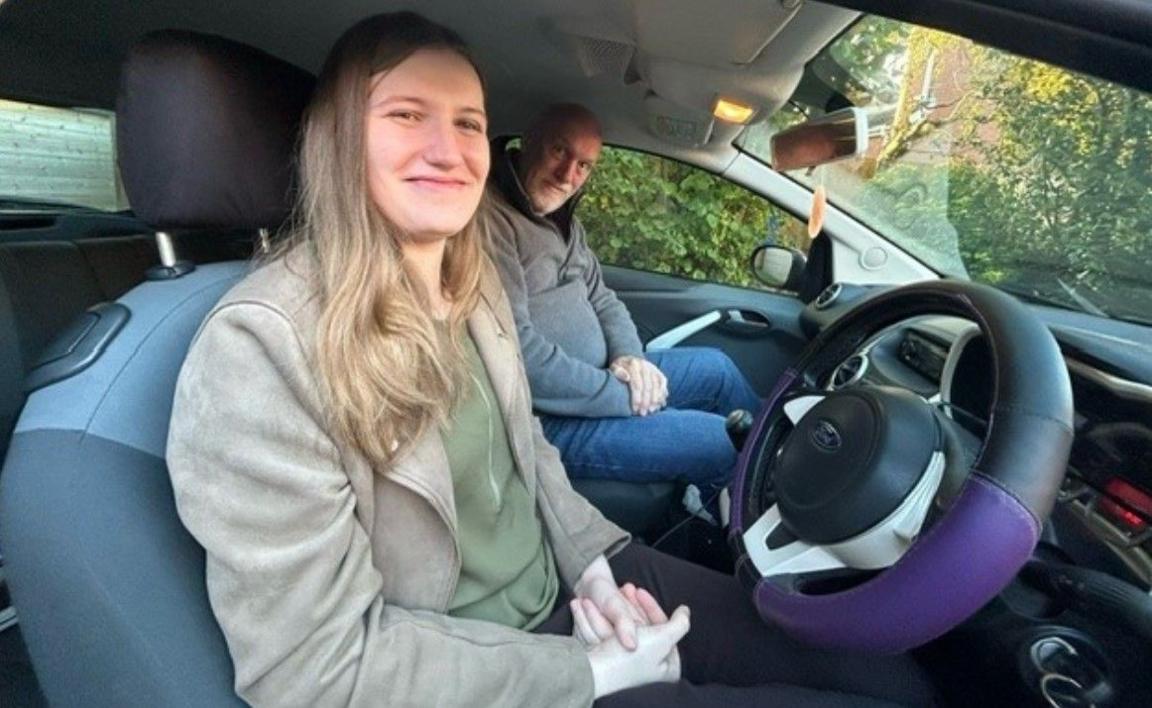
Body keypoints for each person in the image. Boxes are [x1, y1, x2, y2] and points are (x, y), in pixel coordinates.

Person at [166, 11, 934, 707]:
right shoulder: (261, 348)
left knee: (882, 675)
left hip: (575, 585)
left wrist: (595, 565)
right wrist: (588, 672)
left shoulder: (464, 286)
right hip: (485, 663)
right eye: (406, 115)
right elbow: (314, 669)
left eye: (468, 124)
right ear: (338, 139)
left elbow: (524, 448)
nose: (448, 149)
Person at [484, 103, 761, 493]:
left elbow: (603, 298)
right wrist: (619, 393)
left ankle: (783, 459)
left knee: (715, 369)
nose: (568, 175)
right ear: (528, 141)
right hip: (548, 421)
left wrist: (629, 358)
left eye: (584, 165)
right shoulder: (490, 221)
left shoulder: (564, 221)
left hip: (603, 379)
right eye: (559, 151)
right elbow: (515, 351)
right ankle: (725, 532)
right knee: (721, 442)